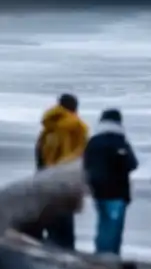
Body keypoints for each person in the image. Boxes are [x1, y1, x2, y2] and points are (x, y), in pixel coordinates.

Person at [28, 93, 89, 248]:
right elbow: (79, 154)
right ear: (75, 107)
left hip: (45, 178)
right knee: (65, 225)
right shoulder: (77, 126)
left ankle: (48, 247)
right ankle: (64, 252)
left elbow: (39, 154)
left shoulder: (48, 128)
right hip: (64, 180)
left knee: (49, 217)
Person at [83, 108, 139, 255]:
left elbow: (85, 164)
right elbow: (132, 164)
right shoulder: (119, 142)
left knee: (103, 224)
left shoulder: (93, 142)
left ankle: (100, 255)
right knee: (113, 228)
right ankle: (108, 259)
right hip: (117, 191)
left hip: (97, 191)